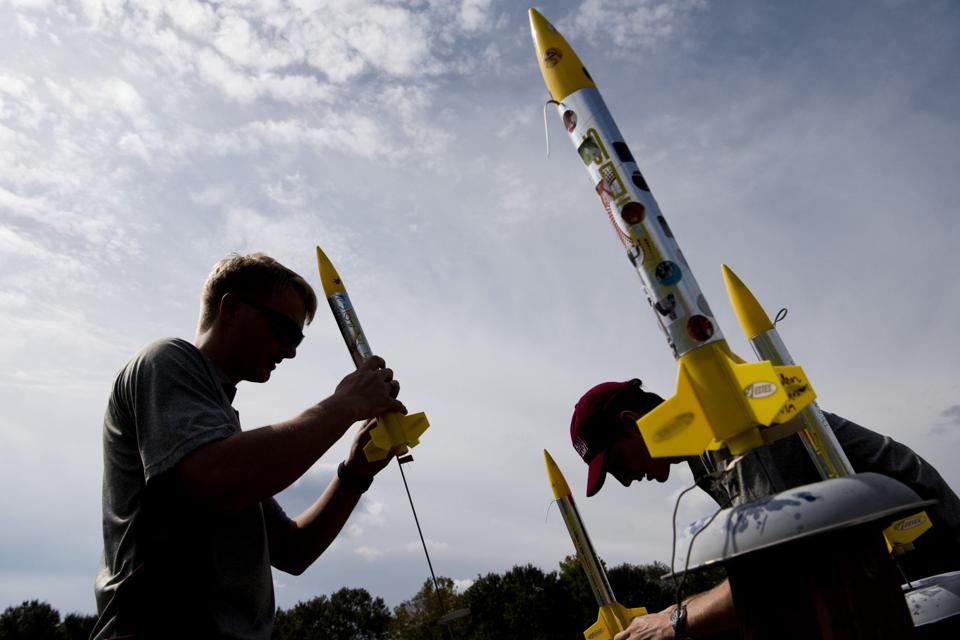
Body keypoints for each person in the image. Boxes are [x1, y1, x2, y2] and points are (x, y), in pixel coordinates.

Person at [92, 253, 407, 639]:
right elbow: (215, 480)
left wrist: (354, 473)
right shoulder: (165, 361)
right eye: (284, 332)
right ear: (231, 308)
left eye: (298, 340)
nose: (290, 351)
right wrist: (345, 405)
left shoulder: (223, 429)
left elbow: (293, 550)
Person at [570, 379, 960, 640]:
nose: (624, 480)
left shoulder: (730, 429)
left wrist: (674, 622)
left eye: (616, 465)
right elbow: (764, 569)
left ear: (633, 422)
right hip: (882, 574)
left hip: (930, 566)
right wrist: (670, 613)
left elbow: (783, 574)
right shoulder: (703, 457)